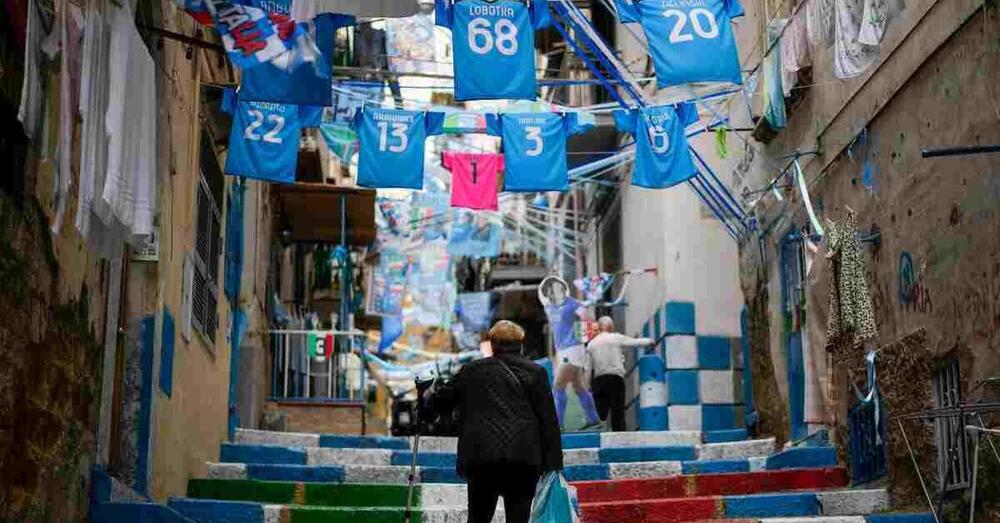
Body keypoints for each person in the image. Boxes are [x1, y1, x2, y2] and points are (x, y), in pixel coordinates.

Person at [429, 320, 563, 523]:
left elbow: (442, 401)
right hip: (523, 458)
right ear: (520, 344)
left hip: (482, 458)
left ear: (492, 344)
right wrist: (553, 465)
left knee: (478, 517)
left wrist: (428, 398)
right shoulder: (535, 372)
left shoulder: (471, 371)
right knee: (518, 518)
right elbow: (549, 421)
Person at [538, 277, 601, 429]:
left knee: (558, 385)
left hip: (573, 348)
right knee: (578, 386)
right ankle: (593, 419)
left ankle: (558, 424)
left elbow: (588, 318)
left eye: (559, 286)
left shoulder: (573, 304)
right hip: (561, 350)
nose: (557, 289)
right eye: (553, 288)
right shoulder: (549, 307)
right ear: (549, 291)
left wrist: (584, 337)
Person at [586, 316, 655, 431]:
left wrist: (588, 386)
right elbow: (634, 342)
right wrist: (650, 341)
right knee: (617, 412)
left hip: (599, 381)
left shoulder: (591, 344)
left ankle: (599, 432)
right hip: (615, 379)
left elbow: (588, 368)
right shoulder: (616, 337)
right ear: (610, 326)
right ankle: (618, 437)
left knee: (600, 413)